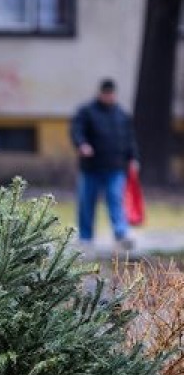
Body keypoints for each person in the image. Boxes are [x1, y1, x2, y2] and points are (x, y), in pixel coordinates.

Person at [70, 79, 139, 252]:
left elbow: (130, 139)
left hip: (115, 168)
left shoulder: (122, 115)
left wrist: (133, 158)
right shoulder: (86, 112)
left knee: (116, 200)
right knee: (87, 203)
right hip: (91, 168)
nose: (109, 96)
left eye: (111, 94)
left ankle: (121, 234)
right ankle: (85, 238)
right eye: (106, 93)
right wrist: (81, 144)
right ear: (100, 93)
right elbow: (76, 131)